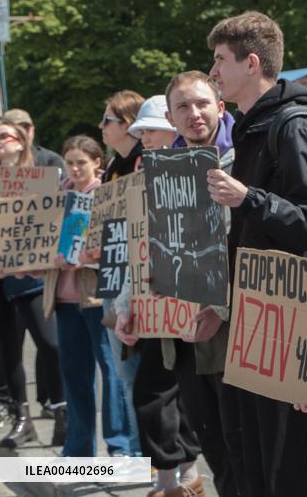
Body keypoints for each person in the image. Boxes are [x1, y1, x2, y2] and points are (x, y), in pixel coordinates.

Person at [207, 11, 307, 496]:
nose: (213, 73)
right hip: (259, 316)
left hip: (294, 320)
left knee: (299, 462)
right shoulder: (253, 127)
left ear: (251, 63)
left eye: (220, 60)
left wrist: (249, 198)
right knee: (259, 455)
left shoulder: (296, 125)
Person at [115, 97, 203, 497]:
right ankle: (178, 479)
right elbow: (134, 247)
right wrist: (124, 306)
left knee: (169, 393)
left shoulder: (200, 171)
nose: (143, 138)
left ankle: (182, 479)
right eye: (140, 133)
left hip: (191, 307)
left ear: (171, 128)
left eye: (149, 130)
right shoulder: (142, 179)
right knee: (156, 393)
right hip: (154, 306)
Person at [161, 70, 240, 497]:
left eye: (202, 103)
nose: (194, 114)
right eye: (183, 107)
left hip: (232, 336)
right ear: (171, 118)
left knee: (242, 448)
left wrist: (222, 308)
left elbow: (245, 248)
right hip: (181, 336)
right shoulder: (161, 175)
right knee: (212, 447)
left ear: (220, 107)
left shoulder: (242, 165)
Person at [46, 135, 133, 457]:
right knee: (74, 376)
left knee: (111, 374)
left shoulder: (105, 196)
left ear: (97, 162)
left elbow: (115, 249)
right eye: (69, 162)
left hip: (96, 298)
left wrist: (85, 256)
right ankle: (78, 449)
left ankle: (119, 445)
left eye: (81, 162)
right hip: (64, 300)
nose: (75, 168)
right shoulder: (57, 198)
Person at [0, 119, 66, 448]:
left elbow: (46, 226)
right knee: (8, 351)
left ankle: (63, 412)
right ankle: (22, 418)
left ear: (20, 142)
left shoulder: (37, 177)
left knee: (50, 344)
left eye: (3, 136)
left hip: (28, 279)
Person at [97, 89, 147, 457]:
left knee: (143, 378)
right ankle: (137, 450)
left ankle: (153, 454)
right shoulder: (114, 168)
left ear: (129, 124)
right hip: (114, 281)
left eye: (108, 120)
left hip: (144, 282)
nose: (102, 127)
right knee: (124, 377)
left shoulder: (145, 162)